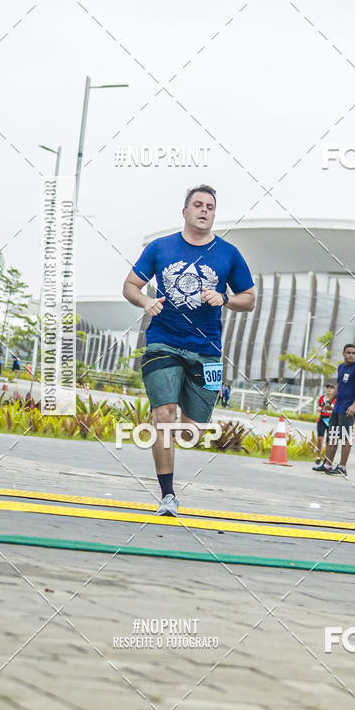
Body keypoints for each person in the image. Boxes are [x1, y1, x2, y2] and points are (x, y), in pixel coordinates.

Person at [122, 185, 255, 516]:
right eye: (198, 204)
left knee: (192, 431)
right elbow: (130, 286)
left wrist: (225, 298)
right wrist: (146, 301)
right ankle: (167, 495)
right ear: (185, 211)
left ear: (214, 214)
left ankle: (179, 419)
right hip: (162, 342)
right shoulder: (160, 248)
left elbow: (249, 299)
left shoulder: (228, 254)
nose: (204, 210)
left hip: (207, 350)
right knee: (163, 414)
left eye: (210, 206)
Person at [318, 344, 355, 477]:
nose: (351, 355)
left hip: (347, 409)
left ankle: (342, 467)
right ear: (343, 354)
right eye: (348, 352)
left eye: (353, 353)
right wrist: (329, 401)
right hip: (337, 407)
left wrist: (354, 405)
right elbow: (338, 387)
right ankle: (327, 465)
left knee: (345, 437)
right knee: (332, 436)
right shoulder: (341, 367)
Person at [312, 382, 336, 469]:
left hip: (331, 420)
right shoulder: (322, 398)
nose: (329, 389)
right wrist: (319, 409)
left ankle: (326, 458)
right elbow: (319, 407)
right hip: (322, 420)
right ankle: (318, 456)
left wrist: (330, 408)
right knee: (320, 438)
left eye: (331, 388)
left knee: (328, 441)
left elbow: (334, 409)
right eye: (328, 388)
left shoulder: (335, 399)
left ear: (334, 390)